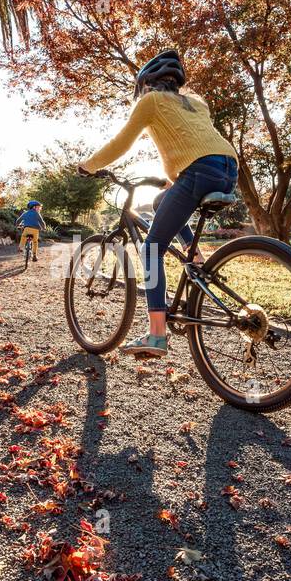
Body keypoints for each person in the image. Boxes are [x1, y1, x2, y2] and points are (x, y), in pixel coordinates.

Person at [77, 50, 238, 358]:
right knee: (162, 199)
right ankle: (196, 259)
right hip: (228, 169)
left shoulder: (150, 102)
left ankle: (156, 335)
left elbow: (122, 143)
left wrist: (89, 165)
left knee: (151, 249)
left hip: (198, 170)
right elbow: (191, 138)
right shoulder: (197, 103)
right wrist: (175, 176)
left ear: (147, 84)